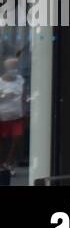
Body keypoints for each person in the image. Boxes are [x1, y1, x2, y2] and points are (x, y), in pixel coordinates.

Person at [0, 56, 25, 187]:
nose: (14, 70)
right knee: (3, 142)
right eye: (12, 67)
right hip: (3, 116)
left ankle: (9, 162)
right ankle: (3, 165)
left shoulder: (20, 80)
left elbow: (24, 95)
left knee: (17, 138)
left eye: (16, 67)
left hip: (17, 116)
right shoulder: (0, 82)